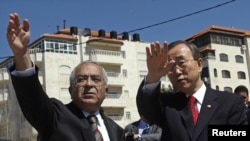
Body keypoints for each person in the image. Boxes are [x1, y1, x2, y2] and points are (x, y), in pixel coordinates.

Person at [6, 12, 123, 141]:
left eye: (95, 79)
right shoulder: (56, 117)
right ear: (71, 90)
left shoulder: (117, 131)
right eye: (81, 79)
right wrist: (22, 54)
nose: (89, 84)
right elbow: (34, 100)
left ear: (106, 91)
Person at [136, 40, 247, 141]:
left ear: (199, 64)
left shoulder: (229, 102)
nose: (177, 71)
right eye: (171, 67)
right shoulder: (167, 105)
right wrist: (153, 76)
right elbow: (145, 108)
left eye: (181, 63)